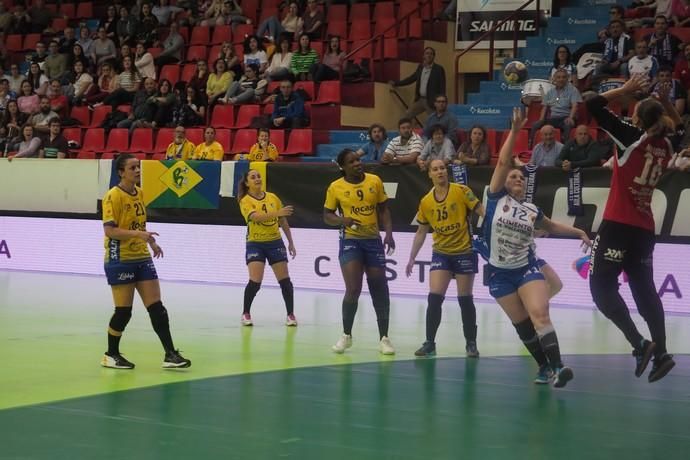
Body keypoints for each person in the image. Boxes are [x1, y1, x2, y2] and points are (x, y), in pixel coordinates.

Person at [482, 108, 591, 387]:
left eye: (521, 177)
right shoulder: (495, 200)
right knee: (523, 327)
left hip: (525, 268)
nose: (517, 179)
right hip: (498, 273)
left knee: (540, 315)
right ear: (504, 182)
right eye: (512, 177)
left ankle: (558, 367)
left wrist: (578, 230)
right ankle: (543, 367)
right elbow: (505, 160)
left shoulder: (531, 209)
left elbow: (552, 227)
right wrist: (516, 130)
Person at [587, 74, 683, 383]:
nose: (629, 113)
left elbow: (592, 104)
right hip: (644, 228)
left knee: (601, 288)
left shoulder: (631, 136)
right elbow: (678, 125)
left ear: (639, 120)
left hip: (617, 224)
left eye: (634, 110)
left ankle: (639, 344)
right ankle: (663, 353)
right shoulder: (666, 143)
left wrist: (625, 90)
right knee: (644, 290)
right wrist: (666, 101)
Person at [101, 154, 191, 370]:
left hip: (141, 256)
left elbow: (139, 225)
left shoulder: (140, 193)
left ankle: (170, 354)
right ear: (121, 172)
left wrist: (150, 242)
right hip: (120, 258)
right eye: (133, 168)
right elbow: (110, 230)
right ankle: (111, 354)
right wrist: (137, 235)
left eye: (138, 167)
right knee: (124, 311)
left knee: (157, 307)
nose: (138, 171)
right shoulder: (113, 196)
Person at [406, 159, 485, 357]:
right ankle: (429, 343)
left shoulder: (461, 190)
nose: (440, 172)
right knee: (434, 298)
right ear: (429, 174)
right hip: (441, 252)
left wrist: (497, 226)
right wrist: (412, 258)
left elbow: (482, 211)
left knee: (465, 299)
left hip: (464, 250)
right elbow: (421, 232)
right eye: (435, 169)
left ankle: (471, 343)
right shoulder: (426, 201)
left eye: (442, 168)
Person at [324, 149, 396, 355]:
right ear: (343, 167)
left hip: (373, 241)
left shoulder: (374, 181)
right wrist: (341, 220)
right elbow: (327, 215)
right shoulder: (335, 187)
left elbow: (384, 209)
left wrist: (389, 233)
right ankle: (346, 335)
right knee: (353, 288)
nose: (357, 163)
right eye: (351, 161)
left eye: (358, 159)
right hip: (350, 241)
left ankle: (384, 338)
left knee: (379, 288)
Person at [237, 169, 297, 326]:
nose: (257, 179)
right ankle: (246, 313)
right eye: (253, 177)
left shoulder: (272, 198)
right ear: (247, 183)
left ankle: (290, 314)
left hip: (275, 242)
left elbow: (282, 221)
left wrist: (290, 242)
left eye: (258, 176)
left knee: (285, 281)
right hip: (255, 243)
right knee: (255, 282)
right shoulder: (245, 200)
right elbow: (255, 218)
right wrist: (277, 213)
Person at [389, 47, 446, 120]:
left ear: (434, 56)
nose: (429, 55)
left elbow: (442, 87)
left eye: (431, 54)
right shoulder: (420, 67)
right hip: (420, 100)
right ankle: (404, 130)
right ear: (423, 56)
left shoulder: (439, 69)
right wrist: (396, 83)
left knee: (435, 121)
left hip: (431, 101)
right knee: (406, 116)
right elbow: (411, 78)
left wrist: (441, 102)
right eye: (427, 53)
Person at [529, 69, 581, 147]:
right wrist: (541, 119)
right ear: (555, 79)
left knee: (568, 124)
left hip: (566, 117)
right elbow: (545, 107)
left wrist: (571, 117)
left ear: (567, 78)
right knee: (536, 125)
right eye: (558, 77)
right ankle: (531, 145)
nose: (561, 79)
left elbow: (575, 106)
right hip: (553, 118)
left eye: (563, 77)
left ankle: (565, 149)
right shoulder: (550, 92)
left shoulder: (573, 90)